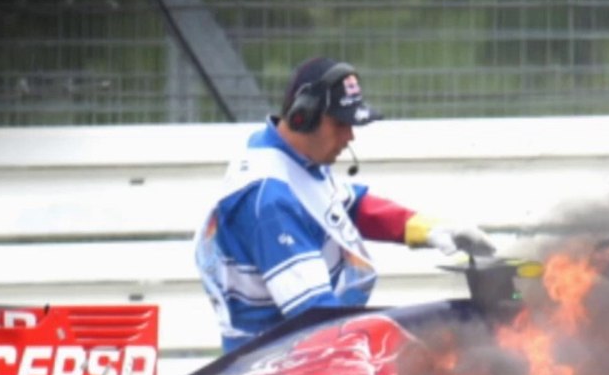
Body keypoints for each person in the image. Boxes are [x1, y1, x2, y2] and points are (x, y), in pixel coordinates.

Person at [194, 56, 496, 352]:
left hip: (300, 351)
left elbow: (349, 206)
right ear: (304, 116)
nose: (349, 136)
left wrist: (431, 229)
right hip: (273, 369)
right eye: (340, 124)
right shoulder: (270, 202)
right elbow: (316, 317)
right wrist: (412, 345)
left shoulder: (290, 159)